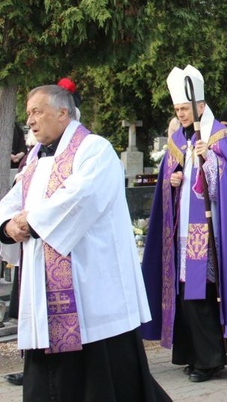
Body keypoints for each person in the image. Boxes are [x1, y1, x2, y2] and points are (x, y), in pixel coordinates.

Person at [0, 84, 169, 400]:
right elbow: (13, 201)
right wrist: (8, 225)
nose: (30, 121)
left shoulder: (94, 149)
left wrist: (29, 221)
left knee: (100, 382)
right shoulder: (36, 160)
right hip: (42, 295)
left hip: (91, 294)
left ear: (62, 112)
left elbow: (80, 198)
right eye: (28, 114)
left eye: (37, 111)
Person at [141, 66, 227, 383]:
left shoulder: (221, 138)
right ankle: (194, 354)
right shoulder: (178, 138)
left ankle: (212, 359)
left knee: (203, 294)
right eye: (176, 109)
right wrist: (173, 178)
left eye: (185, 109)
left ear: (201, 106)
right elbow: (171, 177)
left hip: (211, 231)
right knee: (185, 294)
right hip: (181, 231)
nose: (180, 114)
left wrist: (212, 163)